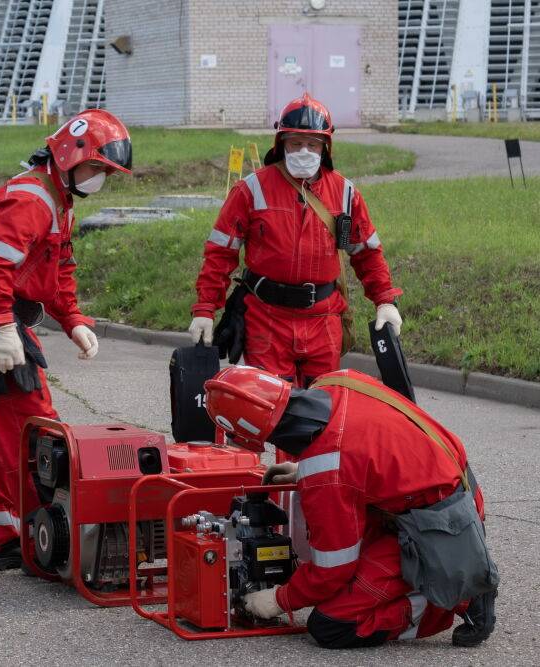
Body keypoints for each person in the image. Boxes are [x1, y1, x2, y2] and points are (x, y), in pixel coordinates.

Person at [0, 109, 133, 572]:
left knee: (7, 437)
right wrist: (4, 327)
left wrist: (72, 319)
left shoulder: (56, 197)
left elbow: (59, 268)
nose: (100, 179)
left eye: (106, 173)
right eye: (97, 169)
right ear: (70, 157)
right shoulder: (35, 200)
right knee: (37, 435)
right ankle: (38, 535)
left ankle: (0, 539)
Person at [203, 365, 499, 649]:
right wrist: (305, 469)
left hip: (441, 528)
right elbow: (372, 447)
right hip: (446, 487)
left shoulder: (328, 472)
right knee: (350, 550)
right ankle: (447, 577)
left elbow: (331, 571)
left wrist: (279, 599)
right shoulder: (335, 381)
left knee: (332, 624)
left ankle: (456, 596)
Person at [189, 93, 402, 387]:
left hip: (323, 321)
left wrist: (384, 300)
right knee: (265, 407)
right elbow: (220, 253)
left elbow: (366, 252)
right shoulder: (251, 189)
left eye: (312, 144)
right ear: (281, 144)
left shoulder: (344, 192)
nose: (304, 150)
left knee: (321, 412)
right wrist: (204, 309)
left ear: (325, 147)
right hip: (267, 319)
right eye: (296, 143)